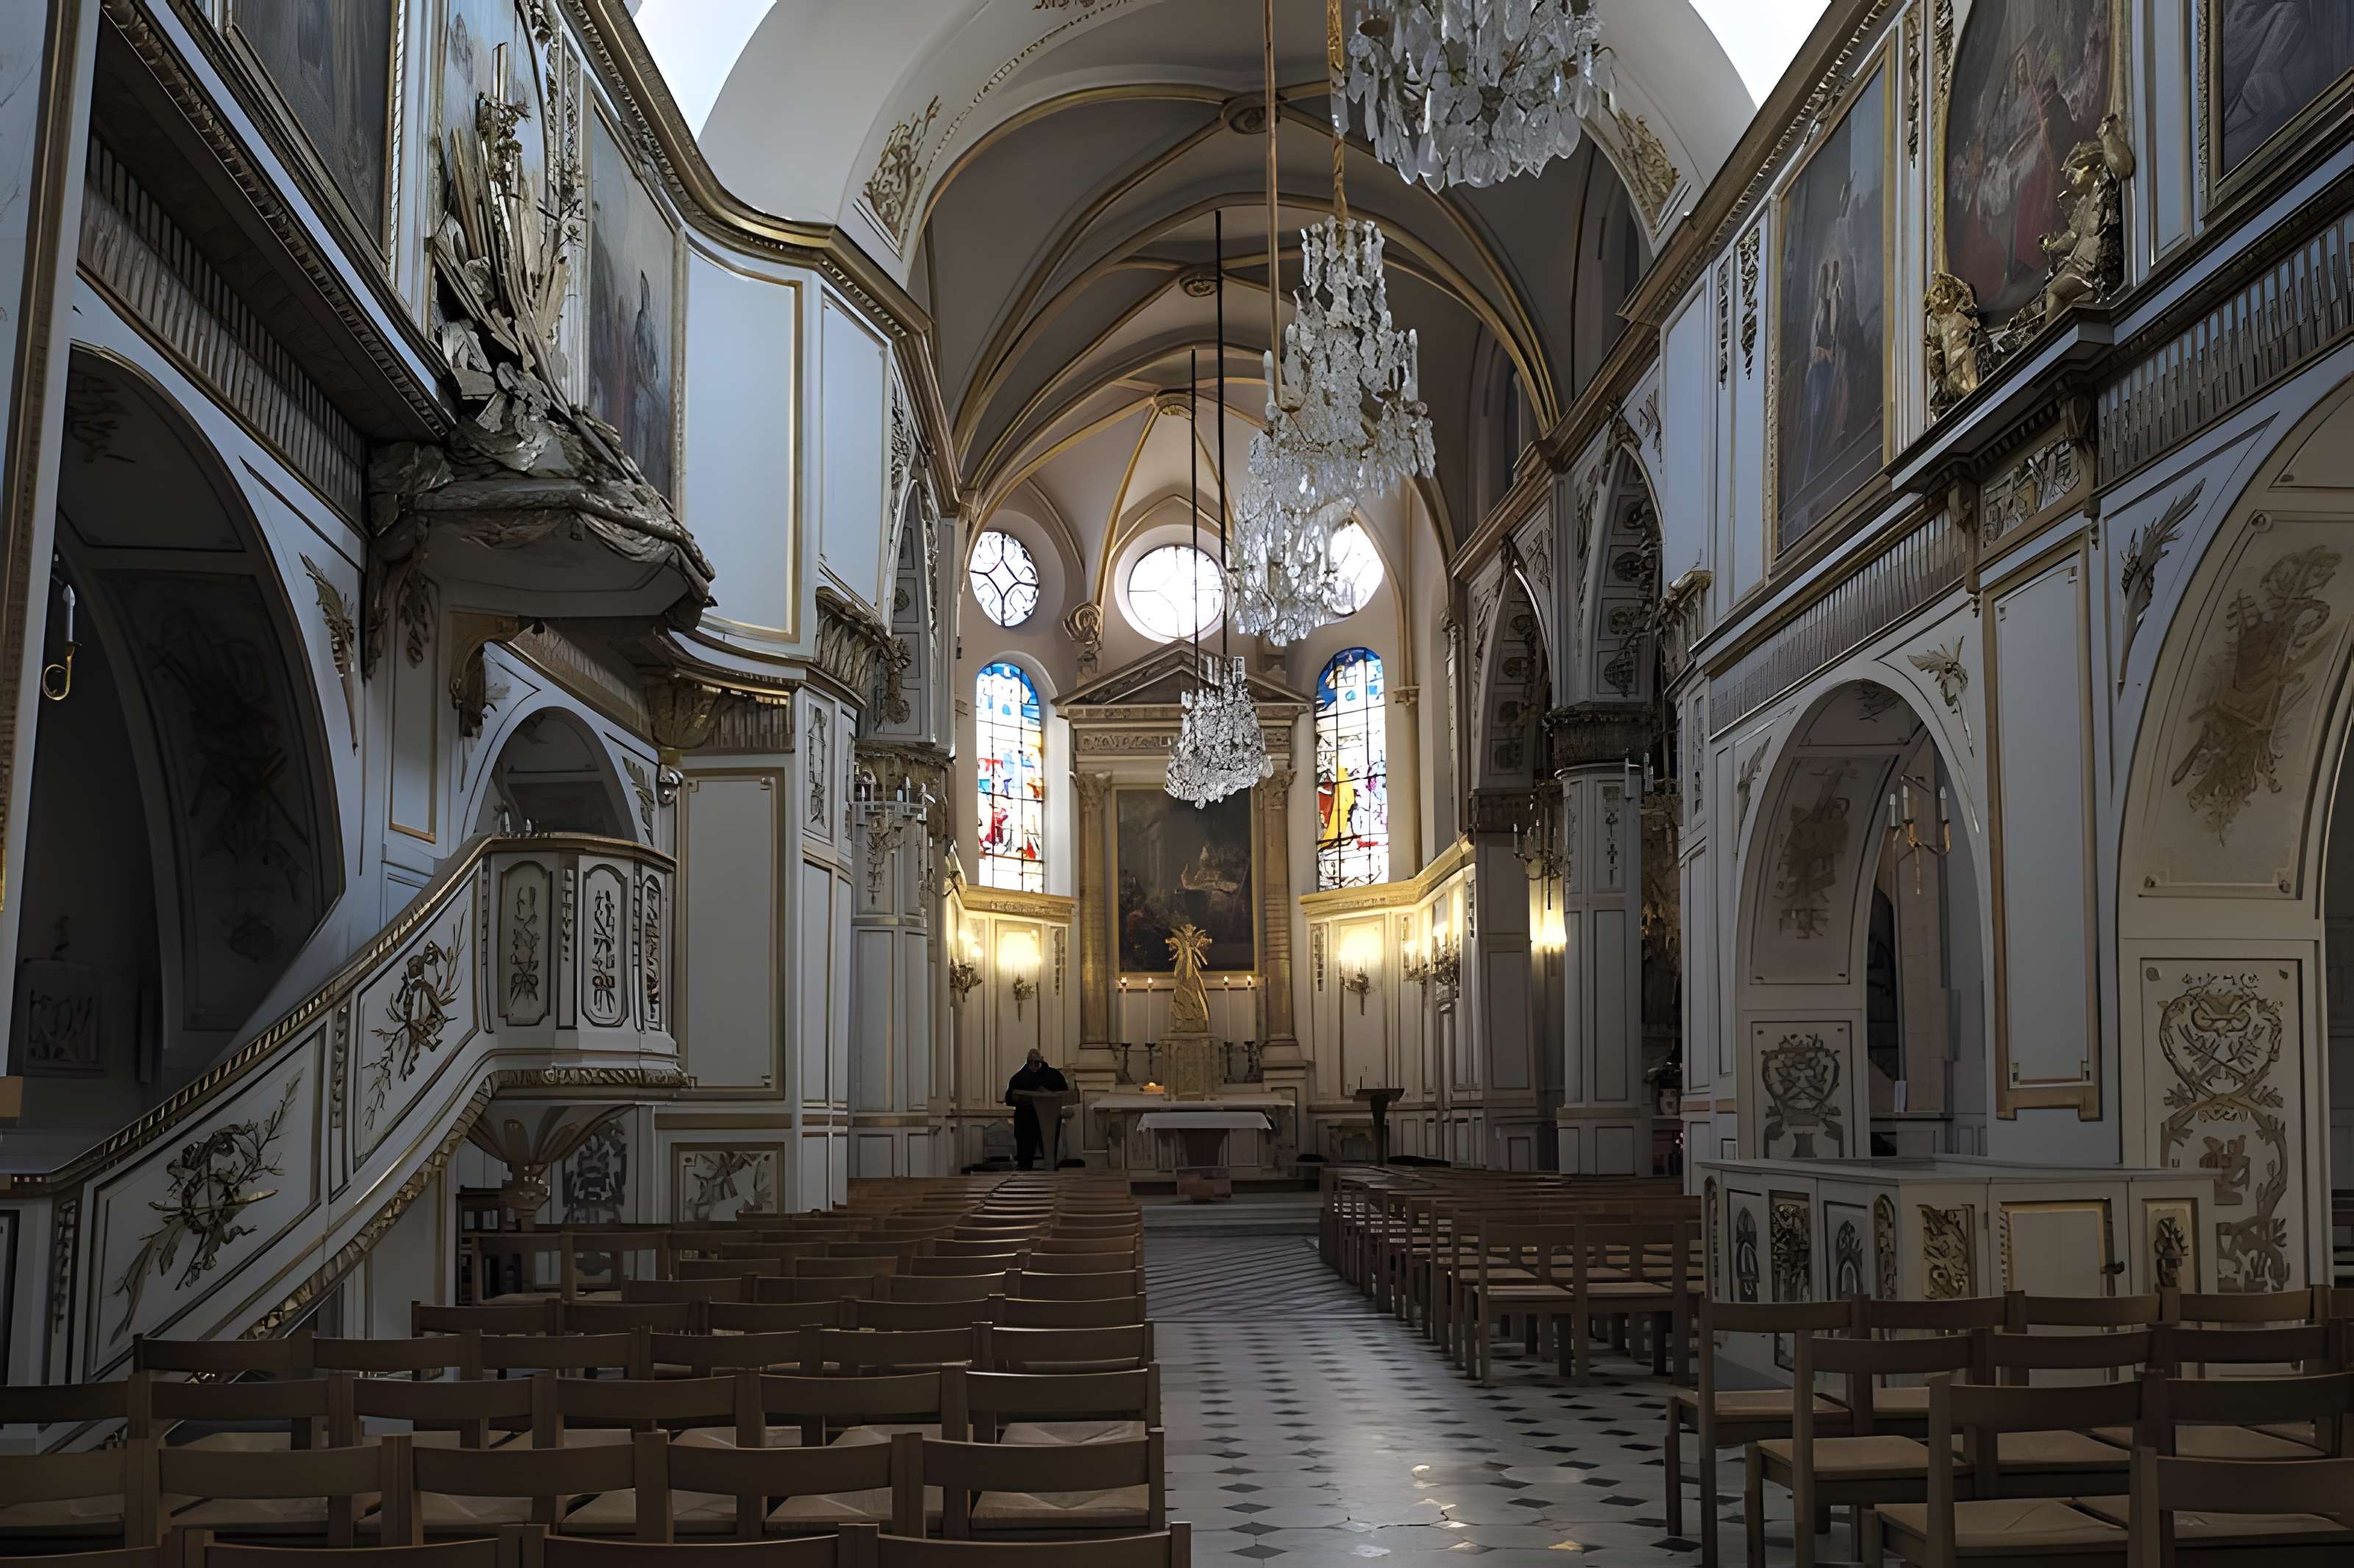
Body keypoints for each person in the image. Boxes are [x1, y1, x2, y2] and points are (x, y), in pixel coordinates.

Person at [1004, 1048, 1069, 1170]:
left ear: (1041, 1061)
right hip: (1026, 1119)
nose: (1034, 1065)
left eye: (1037, 1062)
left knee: (1050, 1152)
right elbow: (1009, 1098)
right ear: (1028, 1062)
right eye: (1031, 1062)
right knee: (1025, 1154)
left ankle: (1051, 1172)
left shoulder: (1053, 1076)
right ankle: (1024, 1172)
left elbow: (1064, 1094)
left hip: (1049, 1118)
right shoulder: (1019, 1078)